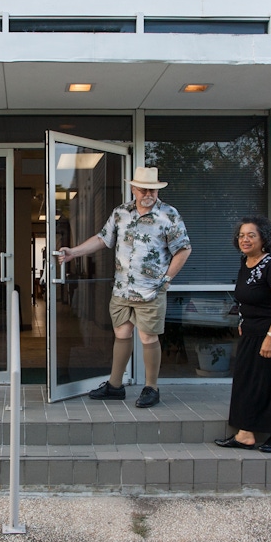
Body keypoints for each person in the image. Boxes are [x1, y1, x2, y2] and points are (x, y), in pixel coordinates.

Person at [58, 167, 191, 408]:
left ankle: (151, 388)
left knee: (148, 336)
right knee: (121, 334)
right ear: (133, 188)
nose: (147, 193)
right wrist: (73, 253)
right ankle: (115, 385)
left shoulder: (168, 215)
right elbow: (102, 239)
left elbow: (183, 249)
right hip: (122, 289)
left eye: (152, 189)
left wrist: (167, 279)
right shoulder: (121, 213)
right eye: (143, 189)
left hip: (151, 289)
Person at [215, 216, 271, 453]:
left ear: (264, 238)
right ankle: (245, 434)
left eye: (251, 235)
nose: (245, 239)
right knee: (247, 382)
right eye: (242, 235)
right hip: (251, 332)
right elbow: (246, 298)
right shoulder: (246, 263)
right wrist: (243, 320)